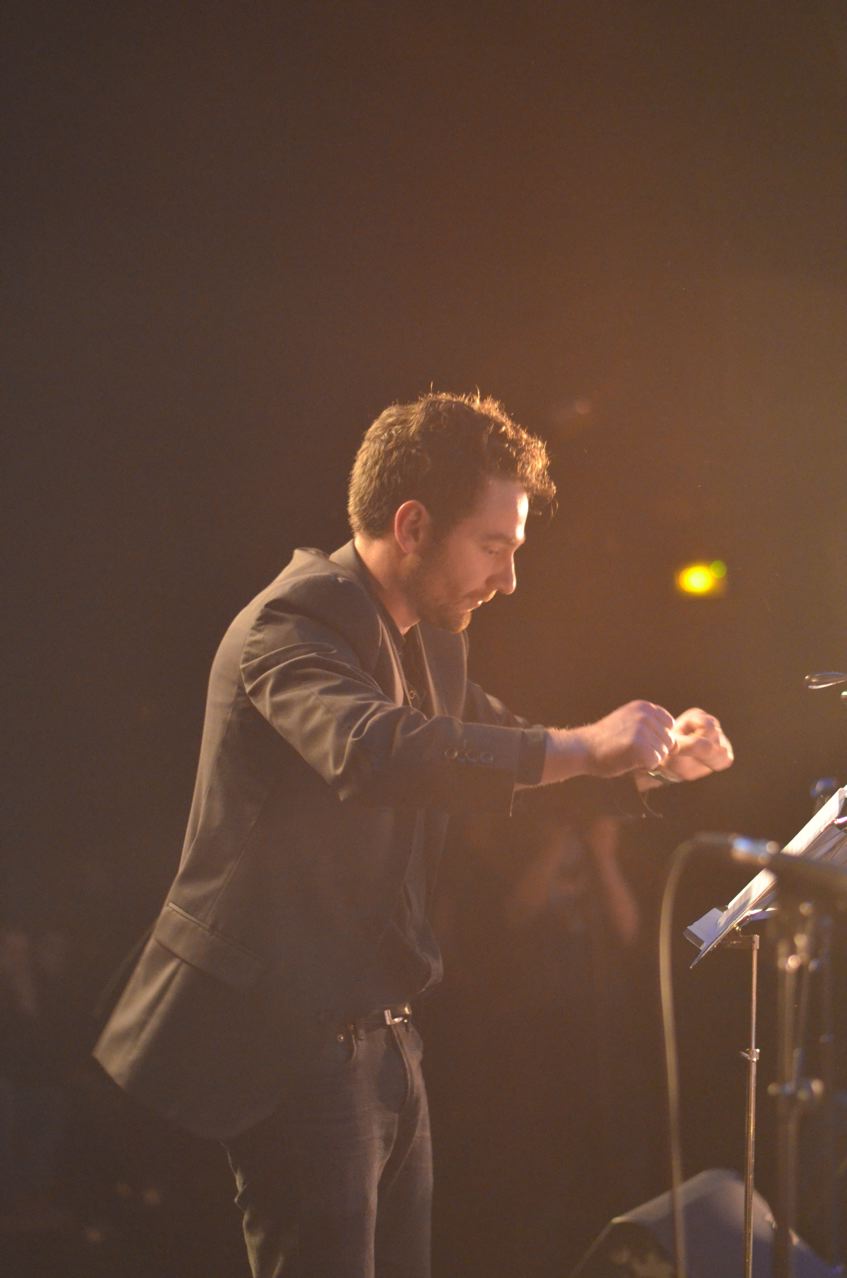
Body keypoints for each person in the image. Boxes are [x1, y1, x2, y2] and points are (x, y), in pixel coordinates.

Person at [93, 391, 733, 1278]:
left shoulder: (428, 644)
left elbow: (493, 765)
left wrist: (644, 763)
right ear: (413, 523)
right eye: (494, 545)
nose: (507, 580)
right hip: (290, 1043)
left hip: (384, 1038)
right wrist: (581, 746)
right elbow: (374, 752)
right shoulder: (292, 624)